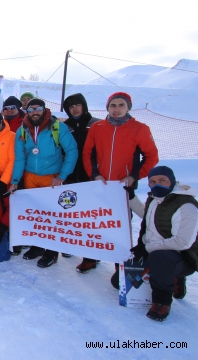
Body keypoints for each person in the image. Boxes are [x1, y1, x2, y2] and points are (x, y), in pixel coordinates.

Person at [83, 92, 159, 283]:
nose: (116, 109)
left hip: (122, 188)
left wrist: (134, 176)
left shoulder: (139, 129)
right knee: (95, 223)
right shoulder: (97, 127)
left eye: (121, 105)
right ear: (107, 107)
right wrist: (94, 174)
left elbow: (151, 157)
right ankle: (91, 257)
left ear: (128, 107)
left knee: (120, 228)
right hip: (100, 185)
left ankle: (121, 266)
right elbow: (88, 153)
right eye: (113, 105)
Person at [9, 98, 78, 267]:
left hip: (51, 177)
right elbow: (20, 158)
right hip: (30, 177)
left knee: (51, 216)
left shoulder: (57, 127)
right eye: (31, 109)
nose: (34, 112)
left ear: (44, 109)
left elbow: (72, 151)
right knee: (35, 215)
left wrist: (62, 176)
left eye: (38, 108)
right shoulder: (22, 131)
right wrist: (15, 181)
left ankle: (52, 252)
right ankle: (37, 246)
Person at [126, 166, 197, 321]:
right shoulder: (155, 198)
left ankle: (161, 302)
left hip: (181, 257)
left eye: (162, 180)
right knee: (120, 282)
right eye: (152, 181)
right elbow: (148, 216)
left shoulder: (186, 205)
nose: (157, 184)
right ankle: (169, 276)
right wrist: (131, 198)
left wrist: (149, 248)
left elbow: (183, 242)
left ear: (172, 181)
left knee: (160, 259)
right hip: (155, 251)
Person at [62, 93, 101, 272]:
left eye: (77, 105)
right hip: (70, 177)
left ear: (84, 105)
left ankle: (90, 256)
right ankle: (71, 245)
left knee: (90, 218)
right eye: (71, 107)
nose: (75, 109)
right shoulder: (64, 126)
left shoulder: (96, 124)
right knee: (70, 214)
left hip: (91, 177)